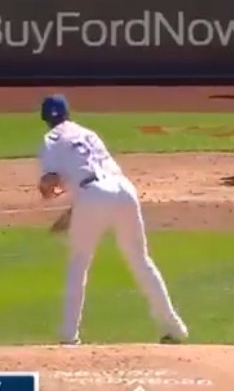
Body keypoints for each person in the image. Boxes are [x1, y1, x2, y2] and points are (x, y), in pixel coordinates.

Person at [35, 94, 189, 346]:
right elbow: (96, 176)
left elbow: (54, 181)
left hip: (92, 194)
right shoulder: (88, 133)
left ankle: (69, 336)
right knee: (140, 260)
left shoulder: (51, 139)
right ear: (68, 112)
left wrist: (45, 189)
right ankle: (174, 328)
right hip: (124, 190)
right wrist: (74, 211)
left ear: (44, 118)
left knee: (78, 263)